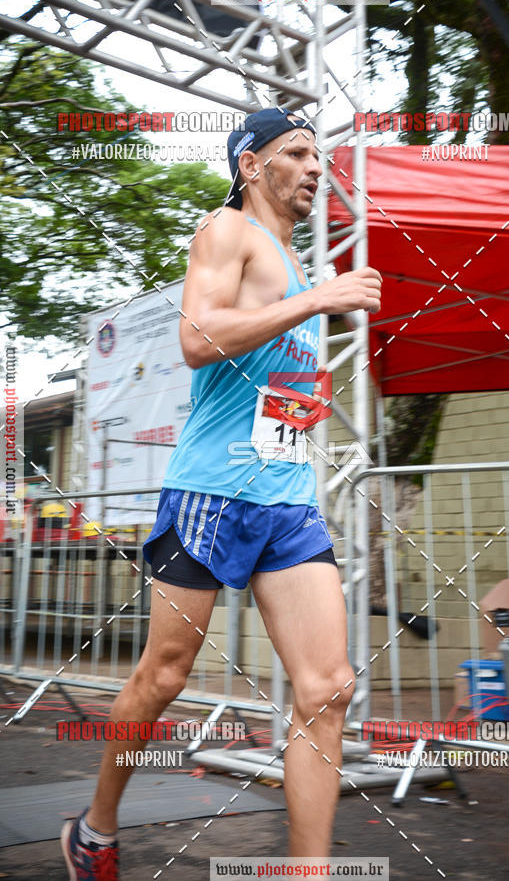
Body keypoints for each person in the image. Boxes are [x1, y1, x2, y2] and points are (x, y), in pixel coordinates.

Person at [61, 107, 382, 879]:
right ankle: (95, 829)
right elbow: (198, 339)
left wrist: (305, 370)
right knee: (164, 676)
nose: (315, 167)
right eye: (297, 152)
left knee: (327, 688)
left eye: (319, 154)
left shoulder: (298, 267)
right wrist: (316, 302)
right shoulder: (226, 231)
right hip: (212, 493)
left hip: (286, 502)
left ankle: (308, 873)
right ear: (251, 164)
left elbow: (278, 387)